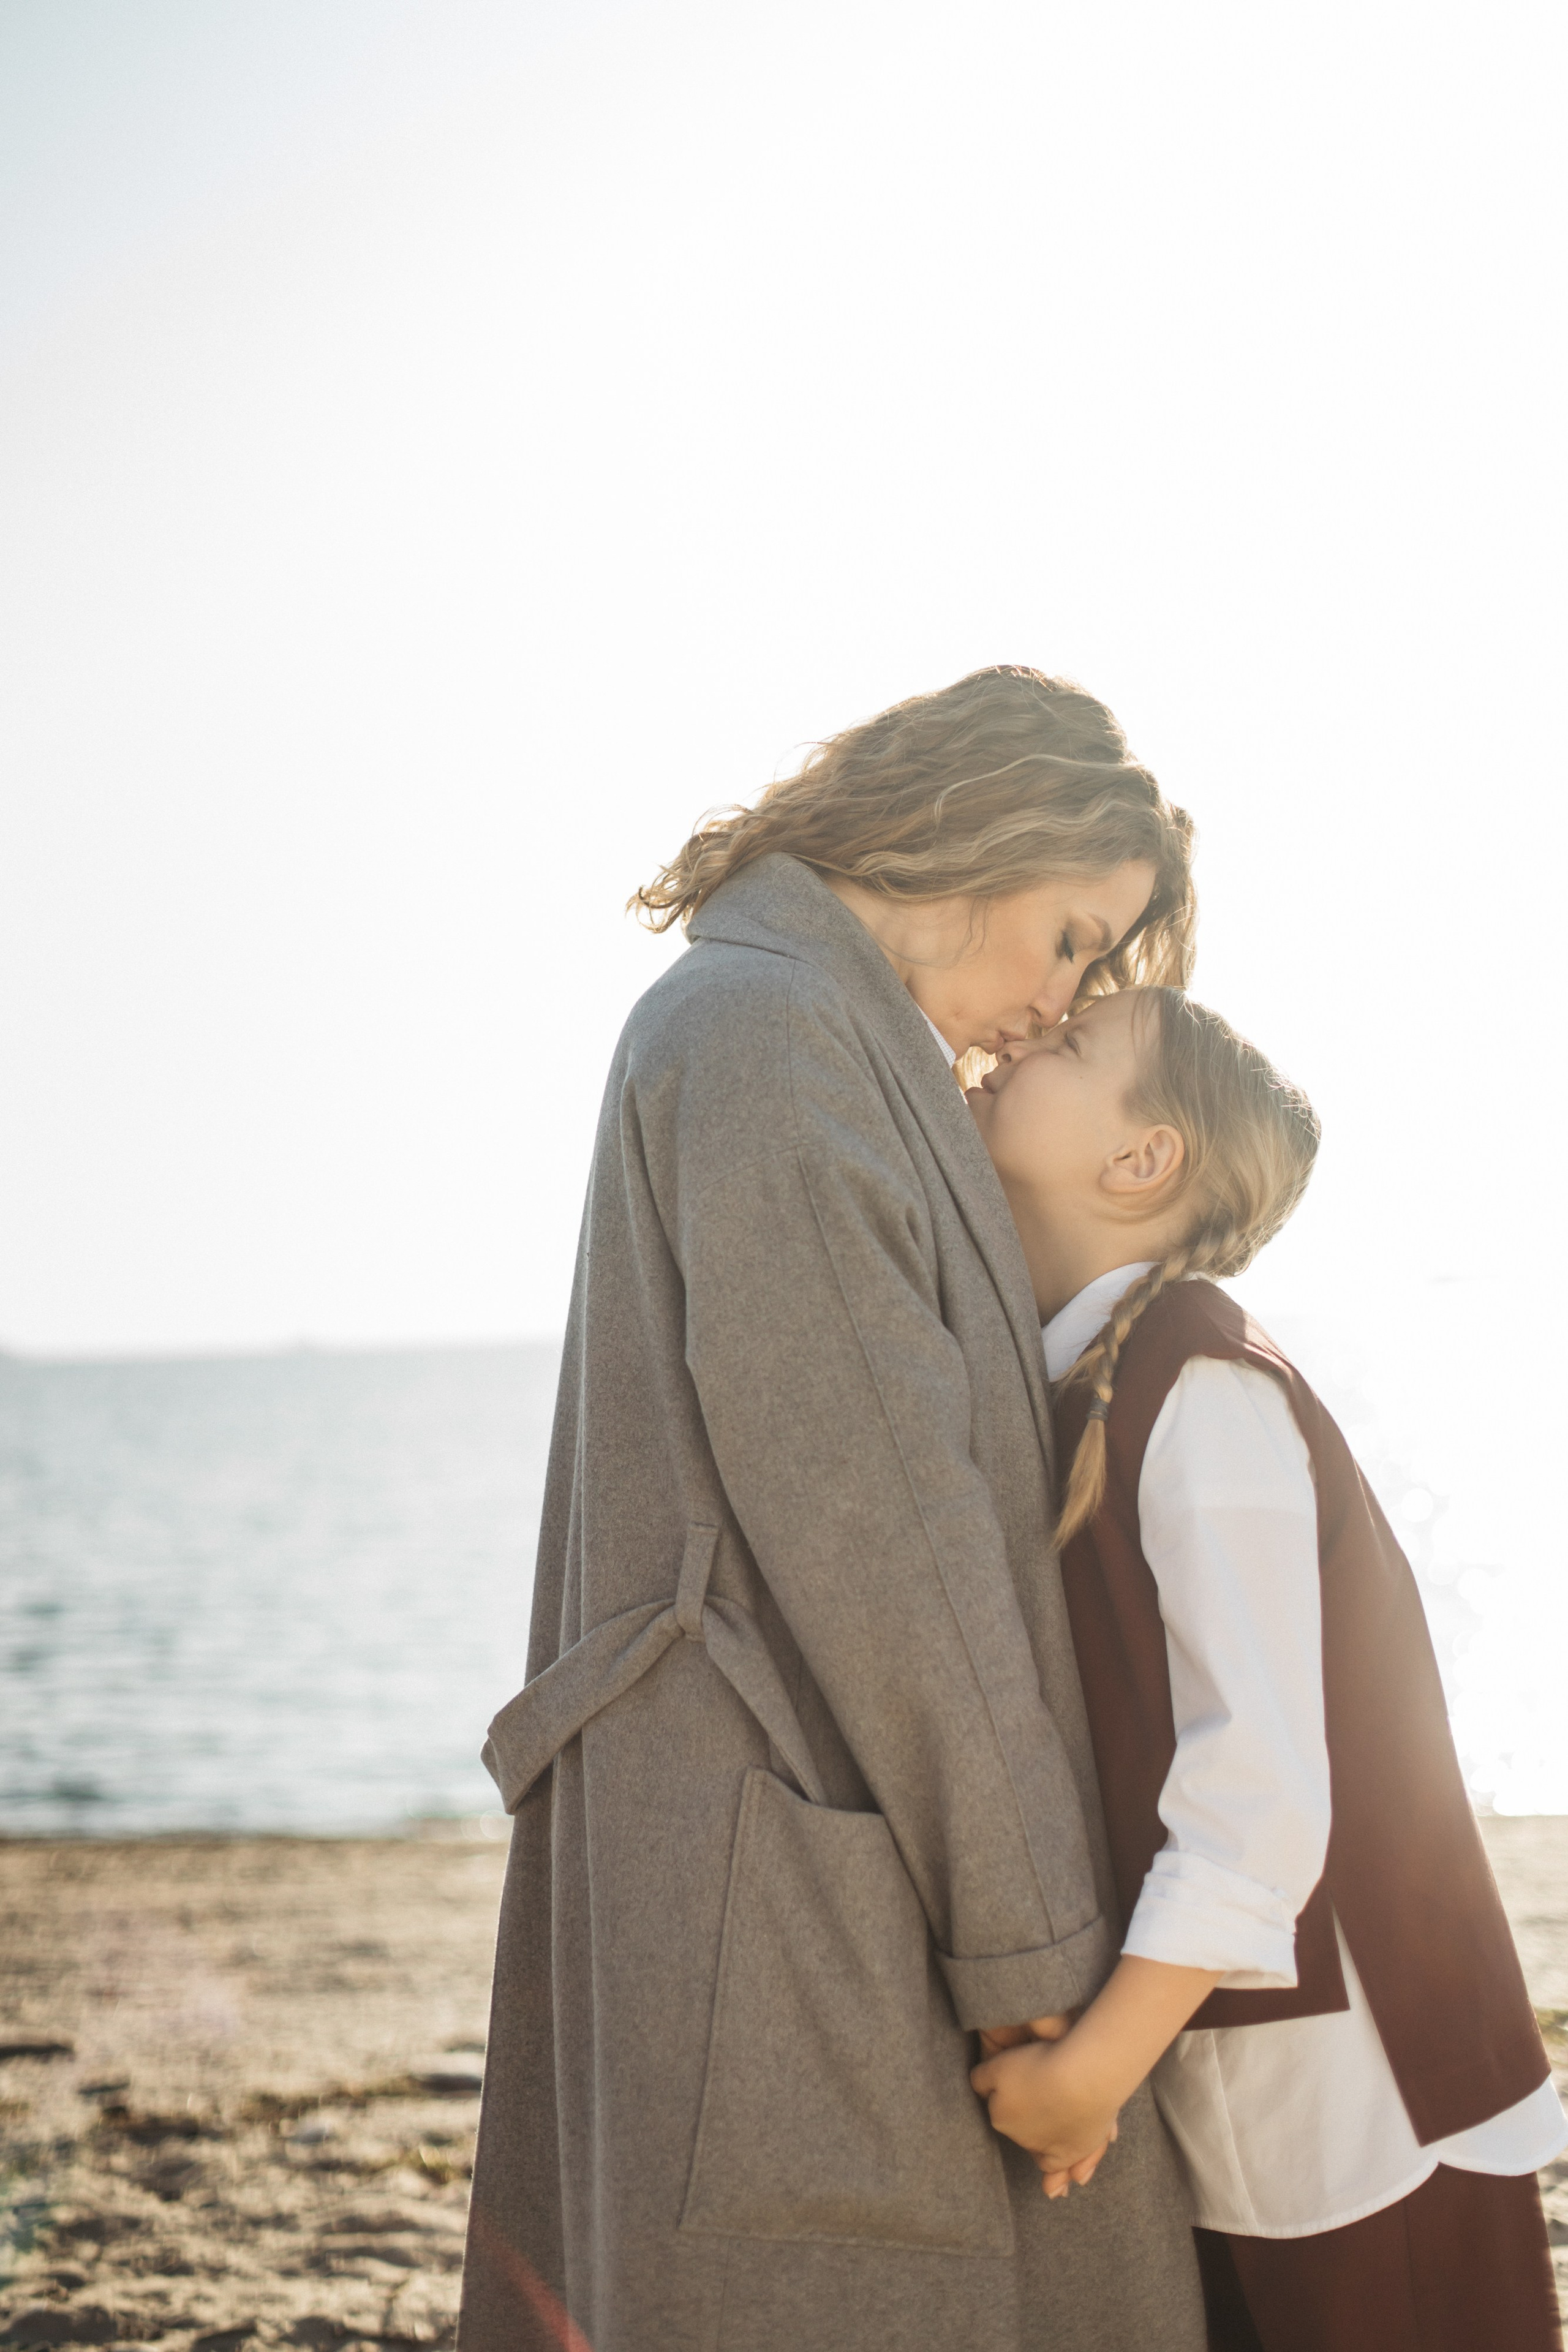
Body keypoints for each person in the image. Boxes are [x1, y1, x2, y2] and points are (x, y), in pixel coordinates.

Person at [456, 668, 1211, 2352]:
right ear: (984, 830)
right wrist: (1040, 1968)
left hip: (806, 1827)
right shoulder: (773, 1038)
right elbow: (893, 1541)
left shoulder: (810, 1031)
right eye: (1078, 938)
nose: (1064, 999)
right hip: (796, 1848)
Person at [966, 986, 1567, 2352]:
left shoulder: (1200, 1383)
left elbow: (1263, 1787)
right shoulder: (1088, 1381)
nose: (1009, 1040)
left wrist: (1095, 2068)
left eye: (1062, 1047)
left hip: (1358, 2101)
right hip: (1244, 2082)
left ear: (1141, 1160)